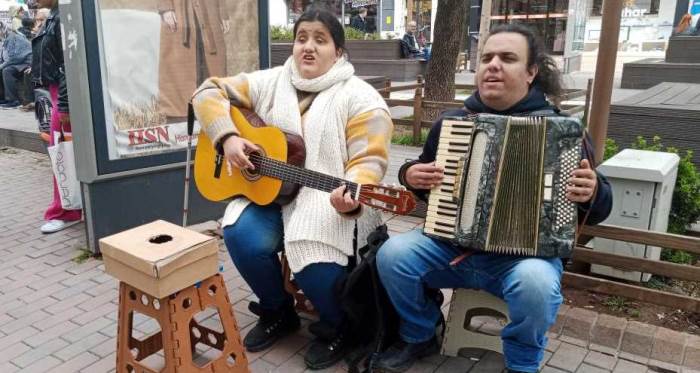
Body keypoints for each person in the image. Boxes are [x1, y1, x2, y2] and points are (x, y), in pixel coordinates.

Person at [372, 23, 613, 373]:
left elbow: (601, 206)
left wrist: (593, 191)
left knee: (537, 284)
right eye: (486, 57)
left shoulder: (562, 132)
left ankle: (521, 364)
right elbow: (425, 177)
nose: (493, 64)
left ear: (531, 72)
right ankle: (420, 332)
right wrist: (410, 175)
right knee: (393, 255)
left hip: (523, 259)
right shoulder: (452, 123)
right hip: (452, 249)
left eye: (507, 58)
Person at [191, 7, 393, 370]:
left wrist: (355, 195)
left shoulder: (362, 98)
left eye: (320, 39)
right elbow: (206, 92)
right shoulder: (270, 81)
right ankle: (277, 309)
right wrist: (228, 137)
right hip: (272, 193)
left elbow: (370, 160)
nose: (308, 47)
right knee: (240, 233)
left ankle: (339, 326)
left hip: (326, 196)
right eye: (302, 38)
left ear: (339, 52)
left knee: (311, 251)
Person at [33, 0, 82, 233]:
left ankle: (65, 211)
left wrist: (63, 105)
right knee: (62, 151)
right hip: (59, 94)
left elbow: (67, 65)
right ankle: (68, 208)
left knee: (61, 151)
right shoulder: (56, 14)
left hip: (63, 95)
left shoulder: (62, 15)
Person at [157, 0, 231, 119]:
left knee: (213, 63)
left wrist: (222, 10)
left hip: (209, 7)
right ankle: (180, 117)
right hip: (179, 8)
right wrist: (166, 7)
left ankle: (212, 111)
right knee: (179, 63)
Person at [0, 22, 32, 109]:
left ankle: (13, 100)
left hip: (25, 62)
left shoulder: (14, 37)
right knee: (3, 69)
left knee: (6, 71)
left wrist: (2, 66)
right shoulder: (6, 38)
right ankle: (3, 98)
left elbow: (15, 58)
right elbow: (4, 57)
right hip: (17, 63)